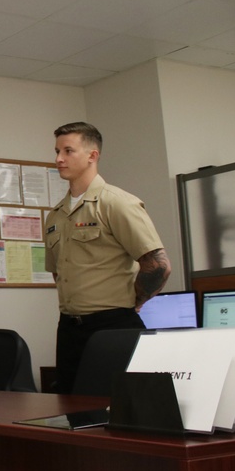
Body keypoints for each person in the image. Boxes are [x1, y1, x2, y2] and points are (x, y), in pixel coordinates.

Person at [45, 122, 171, 393]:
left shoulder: (116, 202)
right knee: (71, 406)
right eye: (57, 151)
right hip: (69, 327)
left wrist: (133, 302)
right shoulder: (55, 215)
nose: (58, 159)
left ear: (92, 155)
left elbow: (158, 265)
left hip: (112, 325)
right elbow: (58, 272)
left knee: (117, 407)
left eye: (68, 151)